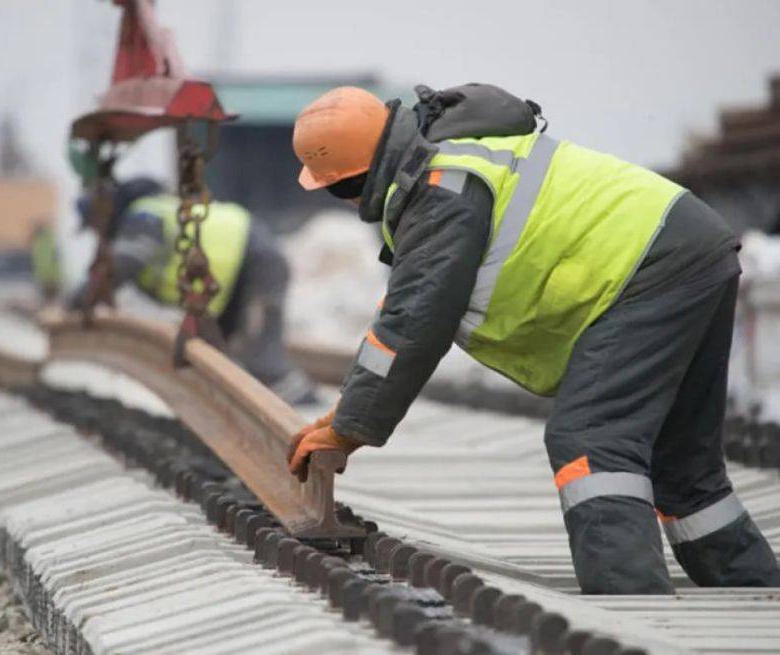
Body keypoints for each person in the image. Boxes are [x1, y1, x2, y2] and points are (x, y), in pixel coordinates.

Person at [286, 85, 780, 594]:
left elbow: (414, 321)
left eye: (335, 189)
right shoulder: (448, 162)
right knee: (684, 468)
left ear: (355, 180)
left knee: (592, 438)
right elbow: (403, 315)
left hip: (652, 269)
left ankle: (634, 605)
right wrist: (346, 414)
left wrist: (350, 430)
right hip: (690, 250)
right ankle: (755, 591)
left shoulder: (442, 188)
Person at [77, 177, 317, 405]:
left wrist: (80, 299)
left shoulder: (144, 215)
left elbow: (123, 264)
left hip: (257, 260)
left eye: (94, 227)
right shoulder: (151, 211)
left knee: (260, 354)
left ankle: (305, 406)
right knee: (227, 352)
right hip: (235, 274)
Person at [31, 221, 62, 303]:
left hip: (47, 276)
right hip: (51, 276)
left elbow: (42, 261)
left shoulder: (40, 242)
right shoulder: (51, 240)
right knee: (50, 297)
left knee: (49, 297)